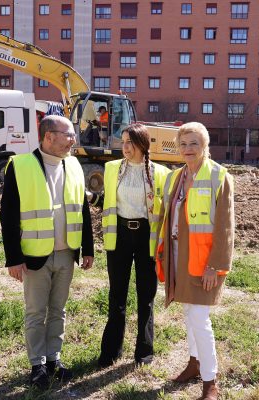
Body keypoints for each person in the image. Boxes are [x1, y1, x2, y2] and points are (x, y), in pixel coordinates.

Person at [0, 115, 95, 389]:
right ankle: (37, 365)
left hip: (67, 253)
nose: (73, 140)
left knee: (58, 310)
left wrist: (87, 248)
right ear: (49, 136)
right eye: (68, 134)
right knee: (35, 311)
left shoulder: (75, 165)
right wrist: (14, 258)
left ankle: (54, 359)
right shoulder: (20, 166)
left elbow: (83, 208)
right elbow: (7, 216)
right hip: (34, 256)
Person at [155, 122, 235, 400]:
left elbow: (225, 226)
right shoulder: (174, 177)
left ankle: (210, 381)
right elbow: (166, 216)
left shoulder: (218, 176)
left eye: (194, 144)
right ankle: (193, 363)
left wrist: (216, 265)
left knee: (199, 318)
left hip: (204, 261)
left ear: (205, 147)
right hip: (178, 256)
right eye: (184, 144)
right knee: (189, 314)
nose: (188, 149)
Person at [97, 124, 170, 368]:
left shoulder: (160, 173)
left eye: (130, 142)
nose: (124, 147)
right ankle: (110, 351)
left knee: (145, 297)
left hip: (146, 240)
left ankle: (144, 351)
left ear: (142, 144)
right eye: (123, 141)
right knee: (116, 295)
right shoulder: (111, 169)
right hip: (118, 238)